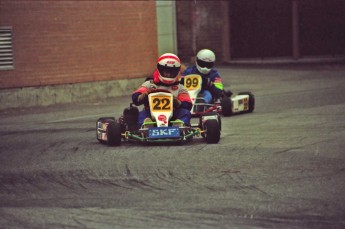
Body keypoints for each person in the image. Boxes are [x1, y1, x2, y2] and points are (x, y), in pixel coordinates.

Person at [132, 53, 192, 127]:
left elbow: (188, 105)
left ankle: (179, 125)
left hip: (173, 116)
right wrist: (145, 95)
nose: (168, 75)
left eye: (171, 72)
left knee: (185, 113)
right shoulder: (150, 84)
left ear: (177, 71)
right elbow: (135, 98)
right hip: (151, 114)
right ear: (159, 69)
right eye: (166, 72)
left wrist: (176, 102)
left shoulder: (179, 87)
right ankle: (146, 126)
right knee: (142, 114)